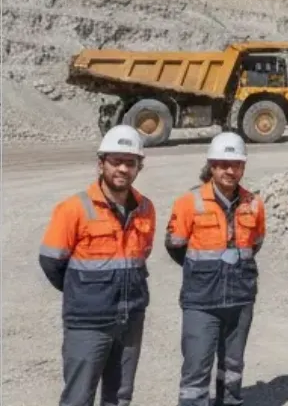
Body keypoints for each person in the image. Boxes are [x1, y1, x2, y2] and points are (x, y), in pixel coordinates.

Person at [39, 124, 156, 406]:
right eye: (115, 161)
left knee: (119, 396)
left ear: (139, 166)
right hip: (88, 323)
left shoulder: (146, 208)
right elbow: (51, 262)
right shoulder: (74, 208)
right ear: (101, 163)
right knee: (79, 397)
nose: (123, 169)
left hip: (130, 320)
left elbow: (143, 254)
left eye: (130, 163)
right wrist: (86, 293)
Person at [165, 132, 266, 406]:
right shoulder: (190, 202)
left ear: (243, 167)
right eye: (223, 164)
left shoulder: (254, 203)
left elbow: (255, 243)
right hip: (201, 300)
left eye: (236, 164)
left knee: (233, 366)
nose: (230, 171)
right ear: (212, 166)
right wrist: (207, 270)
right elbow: (175, 246)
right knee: (197, 368)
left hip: (240, 298)